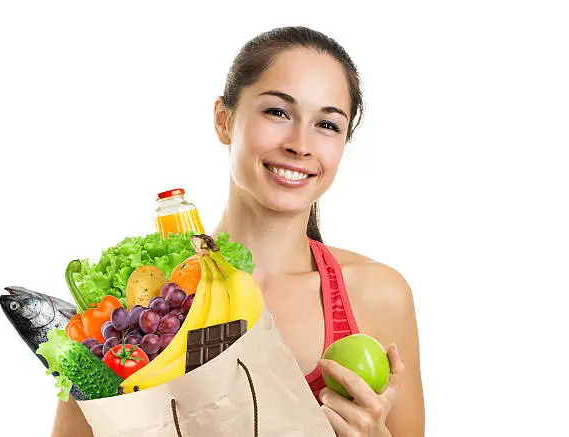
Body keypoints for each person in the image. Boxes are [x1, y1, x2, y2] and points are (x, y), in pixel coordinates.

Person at [51, 26, 425, 437]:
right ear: (224, 120)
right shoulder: (138, 304)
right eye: (278, 112)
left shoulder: (379, 296)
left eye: (327, 125)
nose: (300, 144)